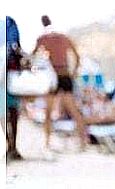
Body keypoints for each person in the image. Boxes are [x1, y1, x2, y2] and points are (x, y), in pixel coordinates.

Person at [33, 15, 88, 150]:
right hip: (65, 74)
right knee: (73, 110)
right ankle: (83, 141)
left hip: (53, 77)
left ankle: (47, 143)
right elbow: (77, 55)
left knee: (48, 112)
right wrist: (74, 71)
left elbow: (34, 57)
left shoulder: (42, 39)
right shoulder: (63, 37)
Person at [5, 16, 24, 160]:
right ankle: (12, 146)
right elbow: (16, 47)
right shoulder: (10, 21)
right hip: (10, 71)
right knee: (12, 112)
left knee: (7, 112)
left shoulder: (10, 21)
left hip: (9, 72)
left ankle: (10, 145)